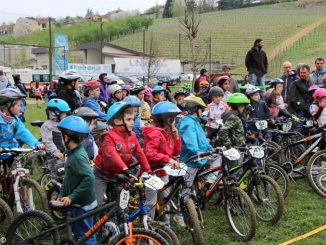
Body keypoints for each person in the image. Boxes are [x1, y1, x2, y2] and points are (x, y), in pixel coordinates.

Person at [93, 102, 151, 206]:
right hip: (102, 175)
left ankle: (117, 220)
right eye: (128, 120)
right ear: (117, 121)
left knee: (121, 205)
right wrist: (125, 169)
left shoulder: (132, 135)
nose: (132, 123)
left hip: (118, 176)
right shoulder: (108, 136)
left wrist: (148, 170)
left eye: (133, 119)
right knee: (97, 204)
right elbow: (112, 155)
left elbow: (140, 153)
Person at [57, 115, 97, 245]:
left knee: (86, 236)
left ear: (66, 138)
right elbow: (68, 177)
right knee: (80, 233)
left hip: (82, 204)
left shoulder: (77, 157)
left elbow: (89, 179)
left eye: (61, 136)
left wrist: (72, 196)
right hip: (79, 202)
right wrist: (62, 194)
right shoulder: (74, 152)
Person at [143, 101, 181, 222]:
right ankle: (148, 227)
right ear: (166, 119)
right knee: (151, 202)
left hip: (162, 172)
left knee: (165, 199)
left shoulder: (168, 133)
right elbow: (150, 153)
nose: (175, 121)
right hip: (151, 172)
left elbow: (175, 152)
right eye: (173, 119)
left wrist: (176, 135)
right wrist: (167, 159)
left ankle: (165, 224)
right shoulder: (155, 133)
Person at [177, 96, 212, 209]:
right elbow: (191, 144)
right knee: (186, 189)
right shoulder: (188, 123)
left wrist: (210, 149)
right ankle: (180, 213)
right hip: (190, 160)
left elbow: (201, 140)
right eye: (201, 109)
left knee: (192, 184)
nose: (202, 112)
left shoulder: (195, 121)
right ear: (195, 109)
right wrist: (201, 153)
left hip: (197, 158)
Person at [0, 88, 45, 162]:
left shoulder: (15, 120)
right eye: (19, 105)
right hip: (1, 151)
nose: (21, 108)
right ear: (9, 106)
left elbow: (24, 132)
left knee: (20, 171)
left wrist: (36, 144)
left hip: (12, 150)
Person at [41, 99, 70, 174]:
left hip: (65, 153)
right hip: (54, 155)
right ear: (55, 113)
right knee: (55, 173)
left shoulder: (65, 124)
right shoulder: (47, 126)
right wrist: (56, 152)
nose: (66, 115)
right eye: (64, 113)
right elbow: (48, 142)